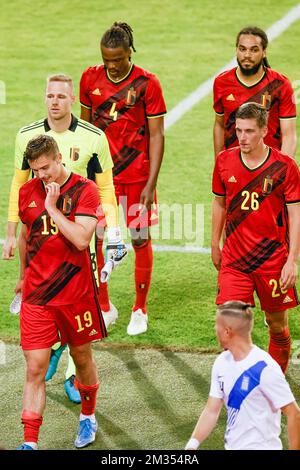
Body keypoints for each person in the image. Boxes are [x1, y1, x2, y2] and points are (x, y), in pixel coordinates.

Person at [2, 74, 126, 403]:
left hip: (80, 234)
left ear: (72, 99)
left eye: (61, 96)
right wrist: (11, 232)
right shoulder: (27, 136)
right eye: (50, 95)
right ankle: (56, 347)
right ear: (45, 98)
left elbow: (105, 189)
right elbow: (19, 187)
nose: (55, 101)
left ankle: (74, 374)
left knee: (81, 307)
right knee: (49, 302)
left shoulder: (93, 137)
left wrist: (113, 230)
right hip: (42, 238)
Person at [16, 135, 106, 449]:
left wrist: (52, 208)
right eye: (35, 170)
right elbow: (26, 235)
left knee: (82, 359)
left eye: (45, 168)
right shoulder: (27, 190)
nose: (41, 175)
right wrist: (21, 277)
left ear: (58, 159)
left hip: (75, 294)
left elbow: (82, 239)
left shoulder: (86, 190)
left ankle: (87, 416)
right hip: (38, 297)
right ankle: (30, 442)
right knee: (36, 367)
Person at [80, 22, 166, 335]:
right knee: (99, 237)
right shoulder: (90, 78)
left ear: (129, 52)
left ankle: (139, 308)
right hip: (103, 178)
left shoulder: (147, 83)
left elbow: (157, 135)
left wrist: (150, 183)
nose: (112, 66)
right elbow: (86, 129)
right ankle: (103, 306)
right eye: (107, 61)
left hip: (138, 175)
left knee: (140, 238)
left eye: (118, 60)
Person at [211, 102, 300, 374]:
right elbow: (219, 203)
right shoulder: (224, 161)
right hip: (235, 261)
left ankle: (273, 384)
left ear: (264, 130)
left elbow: (296, 215)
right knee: (229, 328)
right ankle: (240, 384)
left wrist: (291, 260)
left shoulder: (285, 167)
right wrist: (215, 243)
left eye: (249, 131)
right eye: (238, 130)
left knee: (276, 325)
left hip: (273, 261)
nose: (242, 137)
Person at [185, 301, 300, 450]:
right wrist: (192, 445)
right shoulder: (222, 363)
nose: (215, 329)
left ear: (227, 331)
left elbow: (294, 413)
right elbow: (211, 410)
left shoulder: (264, 367)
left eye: (217, 325)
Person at [213, 26, 297, 158]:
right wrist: (219, 162)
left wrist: (282, 169)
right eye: (242, 49)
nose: (247, 55)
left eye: (254, 50)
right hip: (234, 166)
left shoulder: (280, 84)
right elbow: (219, 125)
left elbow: (289, 134)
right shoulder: (221, 82)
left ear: (264, 52)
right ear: (236, 50)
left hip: (269, 168)